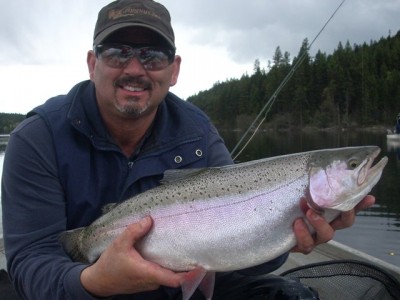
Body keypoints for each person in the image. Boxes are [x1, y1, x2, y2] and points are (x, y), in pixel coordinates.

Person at [1, 0, 375, 299]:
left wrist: (290, 237)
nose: (135, 68)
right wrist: (94, 282)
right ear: (92, 63)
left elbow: (247, 263)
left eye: (153, 55)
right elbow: (32, 263)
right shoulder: (37, 139)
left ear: (174, 69)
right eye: (117, 52)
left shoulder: (196, 132)